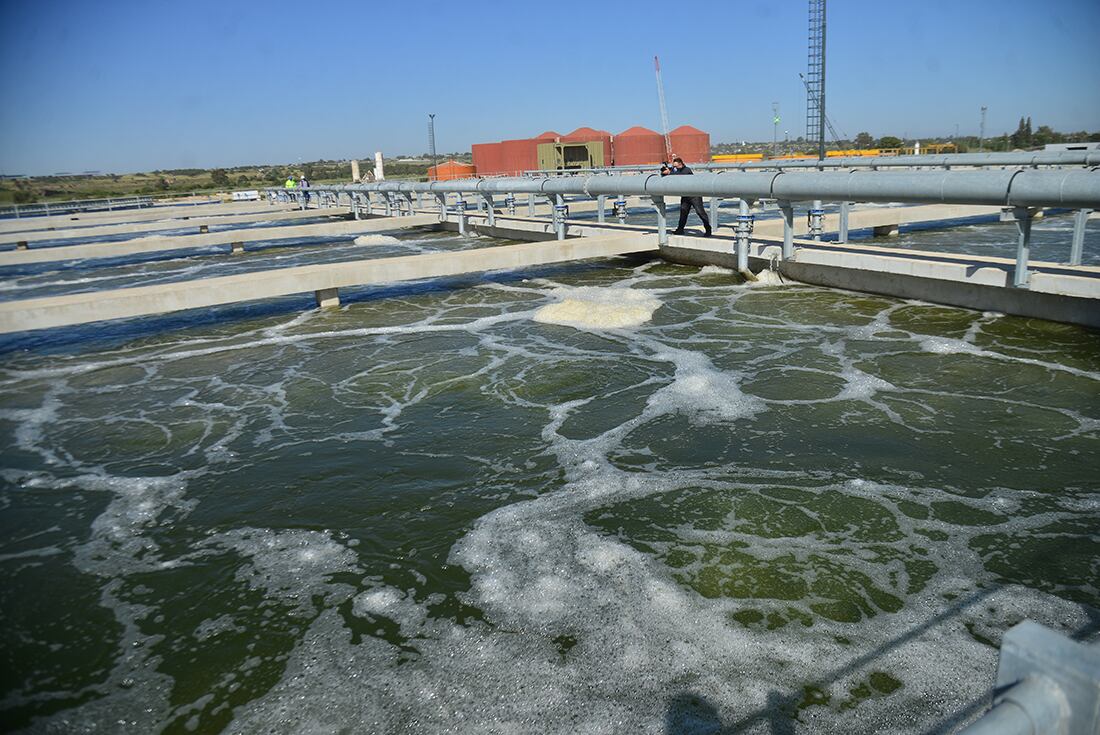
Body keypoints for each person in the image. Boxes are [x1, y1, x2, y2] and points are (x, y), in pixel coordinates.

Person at [661, 157, 711, 237]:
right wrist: (664, 172)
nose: (675, 168)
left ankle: (708, 229)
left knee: (700, 212)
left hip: (694, 195)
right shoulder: (676, 171)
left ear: (680, 164)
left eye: (676, 167)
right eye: (674, 167)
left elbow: (679, 176)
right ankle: (680, 230)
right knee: (683, 213)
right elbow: (670, 175)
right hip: (685, 195)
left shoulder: (686, 170)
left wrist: (669, 173)